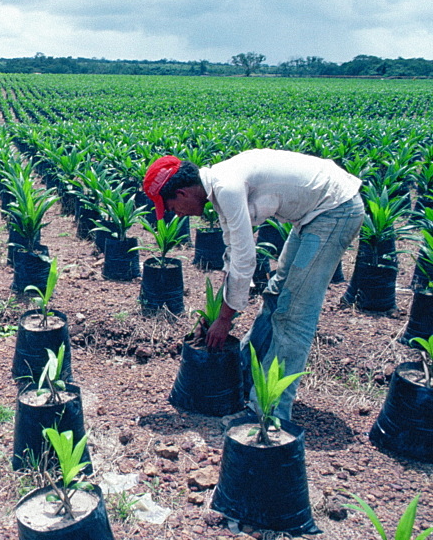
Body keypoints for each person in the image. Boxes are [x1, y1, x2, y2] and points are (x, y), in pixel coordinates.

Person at [142, 149, 364, 421]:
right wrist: (220, 311)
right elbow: (234, 254)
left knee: (293, 316)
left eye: (172, 207)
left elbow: (246, 261)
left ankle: (269, 413)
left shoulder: (228, 187)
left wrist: (224, 319)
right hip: (315, 214)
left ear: (183, 194)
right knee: (275, 296)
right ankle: (245, 377)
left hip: (334, 210)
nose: (176, 215)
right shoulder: (221, 189)